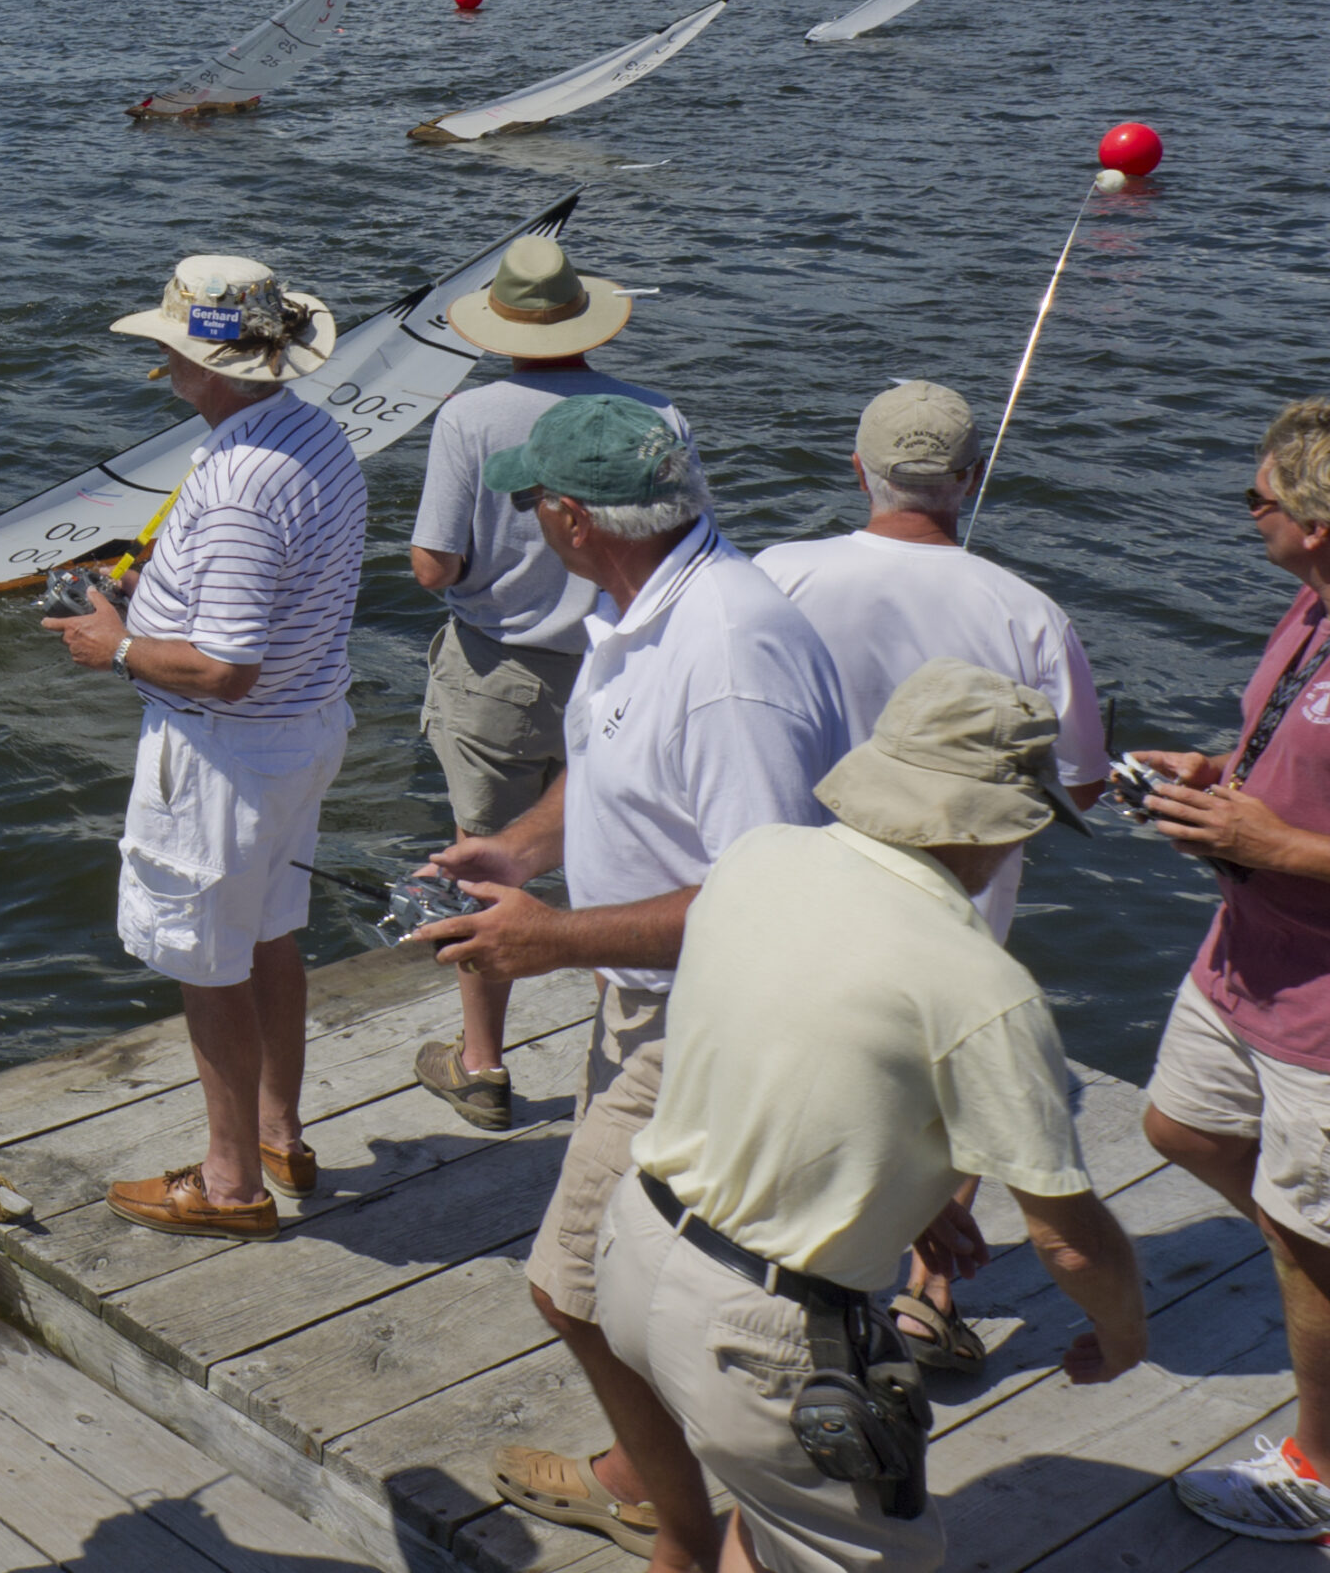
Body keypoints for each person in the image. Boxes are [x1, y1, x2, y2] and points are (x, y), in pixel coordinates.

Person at [411, 394, 849, 1565]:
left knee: (571, 1288)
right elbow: (611, 775)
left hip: (711, 1023)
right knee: (639, 1282)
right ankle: (671, 1497)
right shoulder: (640, 608)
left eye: (531, 502)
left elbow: (762, 899)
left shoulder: (723, 659)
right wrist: (521, 848)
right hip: (645, 1001)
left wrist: (549, 937)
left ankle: (681, 1533)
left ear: (569, 516)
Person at [598, 660, 1147, 1573]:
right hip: (760, 1332)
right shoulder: (982, 988)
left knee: (774, 1522)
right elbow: (1070, 1241)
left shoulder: (760, 855)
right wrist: (1125, 1336)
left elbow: (797, 1033)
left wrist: (909, 1186)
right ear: (998, 822)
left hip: (634, 1247)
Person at [756, 379, 1106, 1374]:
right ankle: (927, 1295)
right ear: (971, 478)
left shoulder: (775, 571)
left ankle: (787, 1267)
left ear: (856, 467)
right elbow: (1077, 776)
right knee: (945, 1090)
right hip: (955, 909)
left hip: (802, 883)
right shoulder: (1026, 609)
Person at [47, 253, 368, 1241]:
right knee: (270, 929)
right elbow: (262, 609)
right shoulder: (311, 434)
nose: (162, 366)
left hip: (227, 753)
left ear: (207, 365)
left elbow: (225, 668)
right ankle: (278, 1131)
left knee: (207, 960)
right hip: (300, 734)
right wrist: (148, 595)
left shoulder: (236, 480)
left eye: (171, 350)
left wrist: (117, 644)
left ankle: (230, 1183)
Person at [406, 233, 692, 1130]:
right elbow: (683, 546)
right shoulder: (658, 413)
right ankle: (626, 1060)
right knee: (624, 858)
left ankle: (482, 1065)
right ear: (585, 319)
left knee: (481, 864)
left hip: (501, 674)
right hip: (629, 666)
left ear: (499, 326)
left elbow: (433, 567)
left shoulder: (470, 417)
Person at [1135, 398, 1330, 1544]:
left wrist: (1273, 848)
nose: (1243, 513)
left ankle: (1317, 1467)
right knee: (1177, 1127)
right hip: (1243, 953)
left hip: (1319, 996)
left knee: (1306, 1240)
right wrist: (1217, 777)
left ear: (1314, 521)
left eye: (1256, 498)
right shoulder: (1307, 606)